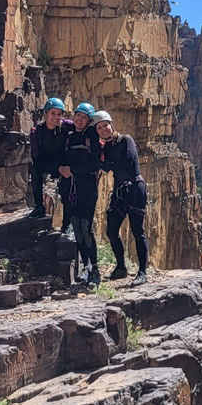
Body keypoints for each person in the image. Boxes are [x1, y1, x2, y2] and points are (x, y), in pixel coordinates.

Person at [94, 110, 150, 287]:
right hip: (120, 191)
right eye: (100, 128)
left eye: (105, 126)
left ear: (112, 125)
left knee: (137, 230)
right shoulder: (108, 147)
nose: (104, 130)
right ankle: (121, 267)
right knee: (112, 230)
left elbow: (124, 161)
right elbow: (108, 165)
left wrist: (102, 162)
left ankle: (142, 272)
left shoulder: (126, 140)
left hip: (134, 189)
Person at [59, 102, 101, 286]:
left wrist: (73, 171)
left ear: (88, 121)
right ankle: (86, 266)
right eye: (78, 115)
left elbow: (94, 164)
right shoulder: (68, 137)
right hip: (70, 189)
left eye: (84, 117)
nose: (79, 119)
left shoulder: (91, 136)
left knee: (86, 228)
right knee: (76, 227)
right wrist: (61, 169)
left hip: (87, 189)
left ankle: (95, 270)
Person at [28, 97, 68, 218]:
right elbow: (36, 157)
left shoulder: (65, 126)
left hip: (64, 162)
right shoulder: (37, 132)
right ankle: (39, 206)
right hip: (46, 162)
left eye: (59, 114)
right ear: (46, 114)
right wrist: (57, 167)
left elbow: (82, 127)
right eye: (52, 113)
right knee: (35, 171)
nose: (56, 117)